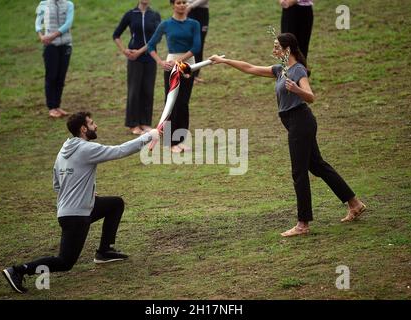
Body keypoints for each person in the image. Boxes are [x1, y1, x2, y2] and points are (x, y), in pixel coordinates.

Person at [209, 33, 366, 237]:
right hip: (294, 123)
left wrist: (297, 90)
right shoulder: (280, 70)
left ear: (287, 50)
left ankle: (303, 224)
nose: (273, 51)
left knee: (299, 172)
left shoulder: (297, 69)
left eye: (277, 47)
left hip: (301, 121)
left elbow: (311, 97)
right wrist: (224, 61)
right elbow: (250, 68)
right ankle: (354, 204)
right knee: (317, 165)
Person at [2, 112, 160, 293]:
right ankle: (18, 270)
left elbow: (56, 184)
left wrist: (86, 192)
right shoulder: (85, 149)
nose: (96, 126)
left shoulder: (64, 150)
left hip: (73, 209)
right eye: (92, 123)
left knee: (115, 204)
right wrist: (148, 136)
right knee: (65, 262)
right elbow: (119, 151)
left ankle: (105, 251)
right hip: (76, 216)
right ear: (83, 129)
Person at [147, 0, 201, 153]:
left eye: (184, 2)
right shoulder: (165, 24)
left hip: (188, 66)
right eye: (178, 2)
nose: (182, 5)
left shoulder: (194, 24)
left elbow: (196, 47)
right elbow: (151, 45)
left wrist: (179, 61)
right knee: (171, 104)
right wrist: (161, 62)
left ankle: (180, 140)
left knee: (183, 103)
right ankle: (170, 143)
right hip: (171, 67)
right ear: (173, 5)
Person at [113, 0, 161, 135]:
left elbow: (156, 37)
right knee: (134, 91)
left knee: (148, 90)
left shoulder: (155, 15)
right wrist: (125, 51)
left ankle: (145, 122)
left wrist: (140, 51)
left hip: (150, 57)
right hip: (134, 59)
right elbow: (116, 35)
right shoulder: (130, 14)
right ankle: (133, 124)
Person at [35, 0, 74, 118]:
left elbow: (68, 23)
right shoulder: (43, 4)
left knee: (61, 77)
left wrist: (52, 35)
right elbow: (38, 22)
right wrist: (41, 36)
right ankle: (51, 107)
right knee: (51, 76)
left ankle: (57, 105)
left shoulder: (69, 4)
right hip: (50, 46)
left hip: (65, 45)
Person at [187, 0, 209, 84]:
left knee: (199, 44)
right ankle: (187, 73)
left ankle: (195, 75)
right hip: (188, 11)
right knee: (188, 43)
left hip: (202, 11)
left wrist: (191, 5)